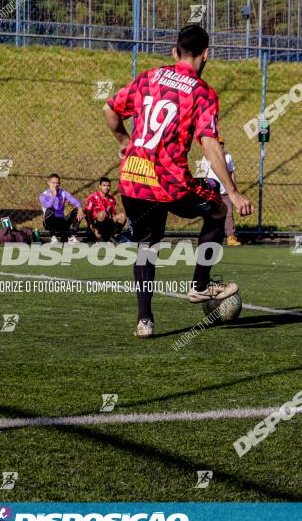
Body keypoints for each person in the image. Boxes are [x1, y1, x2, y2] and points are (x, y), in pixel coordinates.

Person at [104, 24, 252, 338]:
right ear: (206, 55)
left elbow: (110, 108)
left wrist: (123, 141)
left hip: (132, 177)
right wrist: (235, 192)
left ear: (174, 52)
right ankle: (200, 285)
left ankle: (145, 321)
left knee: (146, 245)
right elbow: (211, 146)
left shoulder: (148, 77)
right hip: (167, 181)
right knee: (217, 207)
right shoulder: (202, 93)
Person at [198, 140, 239, 246]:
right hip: (212, 193)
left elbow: (231, 173)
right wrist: (204, 187)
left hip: (225, 191)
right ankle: (211, 236)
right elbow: (200, 174)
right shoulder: (205, 157)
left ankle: (231, 237)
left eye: (222, 144)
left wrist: (234, 189)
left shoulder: (228, 156)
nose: (220, 145)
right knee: (211, 215)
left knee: (229, 214)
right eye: (218, 143)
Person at [39, 173, 84, 243]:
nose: (55, 185)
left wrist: (80, 209)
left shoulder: (63, 193)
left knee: (77, 210)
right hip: (50, 223)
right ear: (48, 183)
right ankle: (52, 236)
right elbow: (48, 205)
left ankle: (72, 236)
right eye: (53, 183)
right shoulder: (43, 195)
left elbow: (74, 201)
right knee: (49, 210)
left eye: (57, 183)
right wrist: (54, 195)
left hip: (61, 221)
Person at [83, 176, 126, 241]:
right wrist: (91, 226)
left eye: (108, 186)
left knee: (122, 216)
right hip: (95, 225)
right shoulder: (93, 197)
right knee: (102, 214)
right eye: (104, 185)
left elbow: (113, 215)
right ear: (100, 186)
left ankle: (114, 237)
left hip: (106, 223)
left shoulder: (112, 199)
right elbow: (87, 212)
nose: (106, 188)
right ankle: (99, 237)